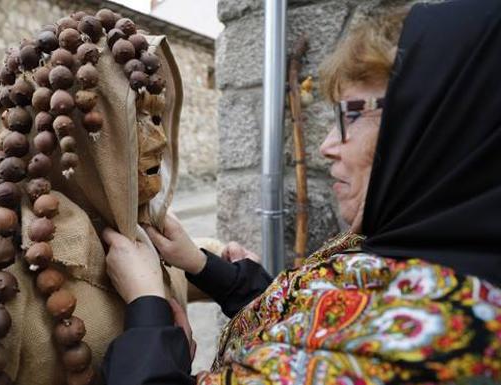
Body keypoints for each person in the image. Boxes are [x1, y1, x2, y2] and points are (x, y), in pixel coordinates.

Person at [101, 0, 501, 384]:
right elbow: (319, 314)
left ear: (439, 127)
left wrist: (148, 315)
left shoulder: (420, 343)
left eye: (350, 116)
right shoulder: (403, 244)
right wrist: (208, 268)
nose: (327, 145)